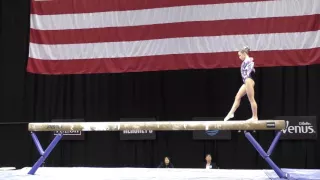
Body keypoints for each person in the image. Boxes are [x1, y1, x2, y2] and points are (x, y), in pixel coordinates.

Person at [224, 46, 258, 121]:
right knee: (237, 97)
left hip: (249, 80)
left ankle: (255, 117)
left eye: (239, 55)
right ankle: (231, 113)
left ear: (244, 54)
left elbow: (251, 67)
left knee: (251, 99)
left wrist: (249, 62)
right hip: (246, 81)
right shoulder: (246, 61)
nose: (239, 57)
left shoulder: (249, 60)